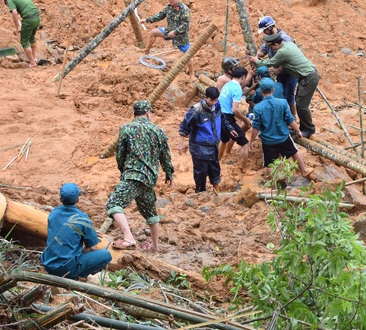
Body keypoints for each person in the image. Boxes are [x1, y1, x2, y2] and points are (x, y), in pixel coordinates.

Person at [106, 100, 174, 252]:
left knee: (113, 204)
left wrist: (123, 170)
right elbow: (165, 156)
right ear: (148, 113)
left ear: (135, 114)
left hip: (133, 175)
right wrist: (169, 173)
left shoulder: (126, 129)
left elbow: (120, 154)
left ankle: (128, 238)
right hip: (150, 178)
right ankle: (155, 246)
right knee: (150, 212)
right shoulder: (158, 131)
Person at [249, 32, 319, 138]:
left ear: (276, 45)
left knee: (302, 105)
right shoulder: (289, 44)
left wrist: (256, 61)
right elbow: (288, 63)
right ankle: (303, 128)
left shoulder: (283, 51)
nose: (272, 49)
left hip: (308, 77)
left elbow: (269, 63)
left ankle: (308, 130)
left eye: (272, 46)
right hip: (306, 76)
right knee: (299, 102)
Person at [249, 78, 312, 187]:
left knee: (269, 163)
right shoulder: (282, 103)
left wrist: (252, 140)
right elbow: (290, 119)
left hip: (268, 140)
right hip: (283, 136)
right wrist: (298, 130)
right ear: (273, 90)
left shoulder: (258, 108)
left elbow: (256, 127)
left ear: (261, 91)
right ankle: (303, 170)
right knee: (294, 152)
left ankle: (272, 184)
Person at [41, 183, 112, 280]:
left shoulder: (53, 213)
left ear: (60, 199)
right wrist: (81, 250)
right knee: (106, 255)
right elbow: (92, 247)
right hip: (65, 269)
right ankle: (79, 277)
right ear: (78, 199)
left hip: (48, 265)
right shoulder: (82, 218)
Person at [178, 86, 238, 193]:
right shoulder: (196, 110)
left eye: (216, 100)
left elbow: (223, 119)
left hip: (213, 146)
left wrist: (230, 129)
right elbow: (184, 127)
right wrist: (181, 144)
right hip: (199, 147)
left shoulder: (217, 106)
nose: (214, 102)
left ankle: (217, 192)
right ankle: (200, 193)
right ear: (205, 97)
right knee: (201, 172)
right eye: (211, 100)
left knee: (215, 169)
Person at [141, 0, 192, 75]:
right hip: (168, 31)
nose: (170, 0)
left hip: (180, 36)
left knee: (189, 54)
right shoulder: (168, 8)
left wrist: (175, 32)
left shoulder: (184, 10)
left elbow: (185, 25)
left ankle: (192, 74)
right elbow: (159, 16)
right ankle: (146, 51)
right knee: (153, 32)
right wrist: (146, 20)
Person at [256, 16, 298, 117]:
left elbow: (288, 57)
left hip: (290, 71)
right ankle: (284, 116)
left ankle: (293, 117)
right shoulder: (268, 39)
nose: (264, 33)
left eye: (264, 30)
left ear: (270, 28)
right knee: (281, 94)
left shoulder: (285, 38)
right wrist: (256, 55)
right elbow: (263, 50)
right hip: (279, 72)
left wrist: (279, 69)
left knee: (289, 96)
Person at [218, 68, 251, 169]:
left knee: (224, 140)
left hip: (219, 115)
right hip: (228, 118)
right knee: (244, 143)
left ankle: (218, 162)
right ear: (243, 77)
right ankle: (244, 169)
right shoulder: (237, 89)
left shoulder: (227, 85)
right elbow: (235, 109)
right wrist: (245, 119)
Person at [3, 0, 41, 67]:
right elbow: (22, 15)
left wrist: (17, 27)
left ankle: (32, 62)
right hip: (37, 18)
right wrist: (19, 27)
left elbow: (14, 13)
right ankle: (34, 59)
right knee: (31, 38)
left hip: (29, 19)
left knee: (24, 41)